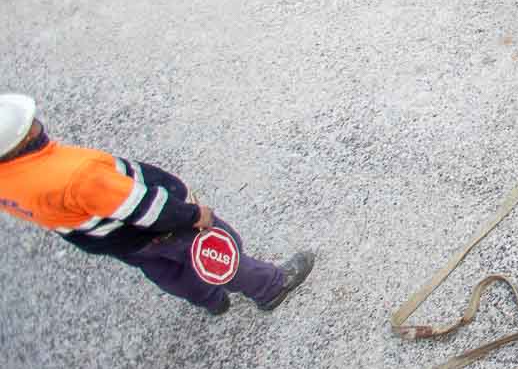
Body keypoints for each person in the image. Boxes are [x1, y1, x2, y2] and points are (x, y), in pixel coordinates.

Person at [0, 93, 314, 317]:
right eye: (32, 123)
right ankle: (270, 287)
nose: (38, 123)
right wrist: (192, 216)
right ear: (24, 139)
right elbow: (143, 207)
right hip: (156, 228)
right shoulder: (76, 176)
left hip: (119, 243)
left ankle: (210, 300)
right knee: (214, 254)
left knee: (170, 273)